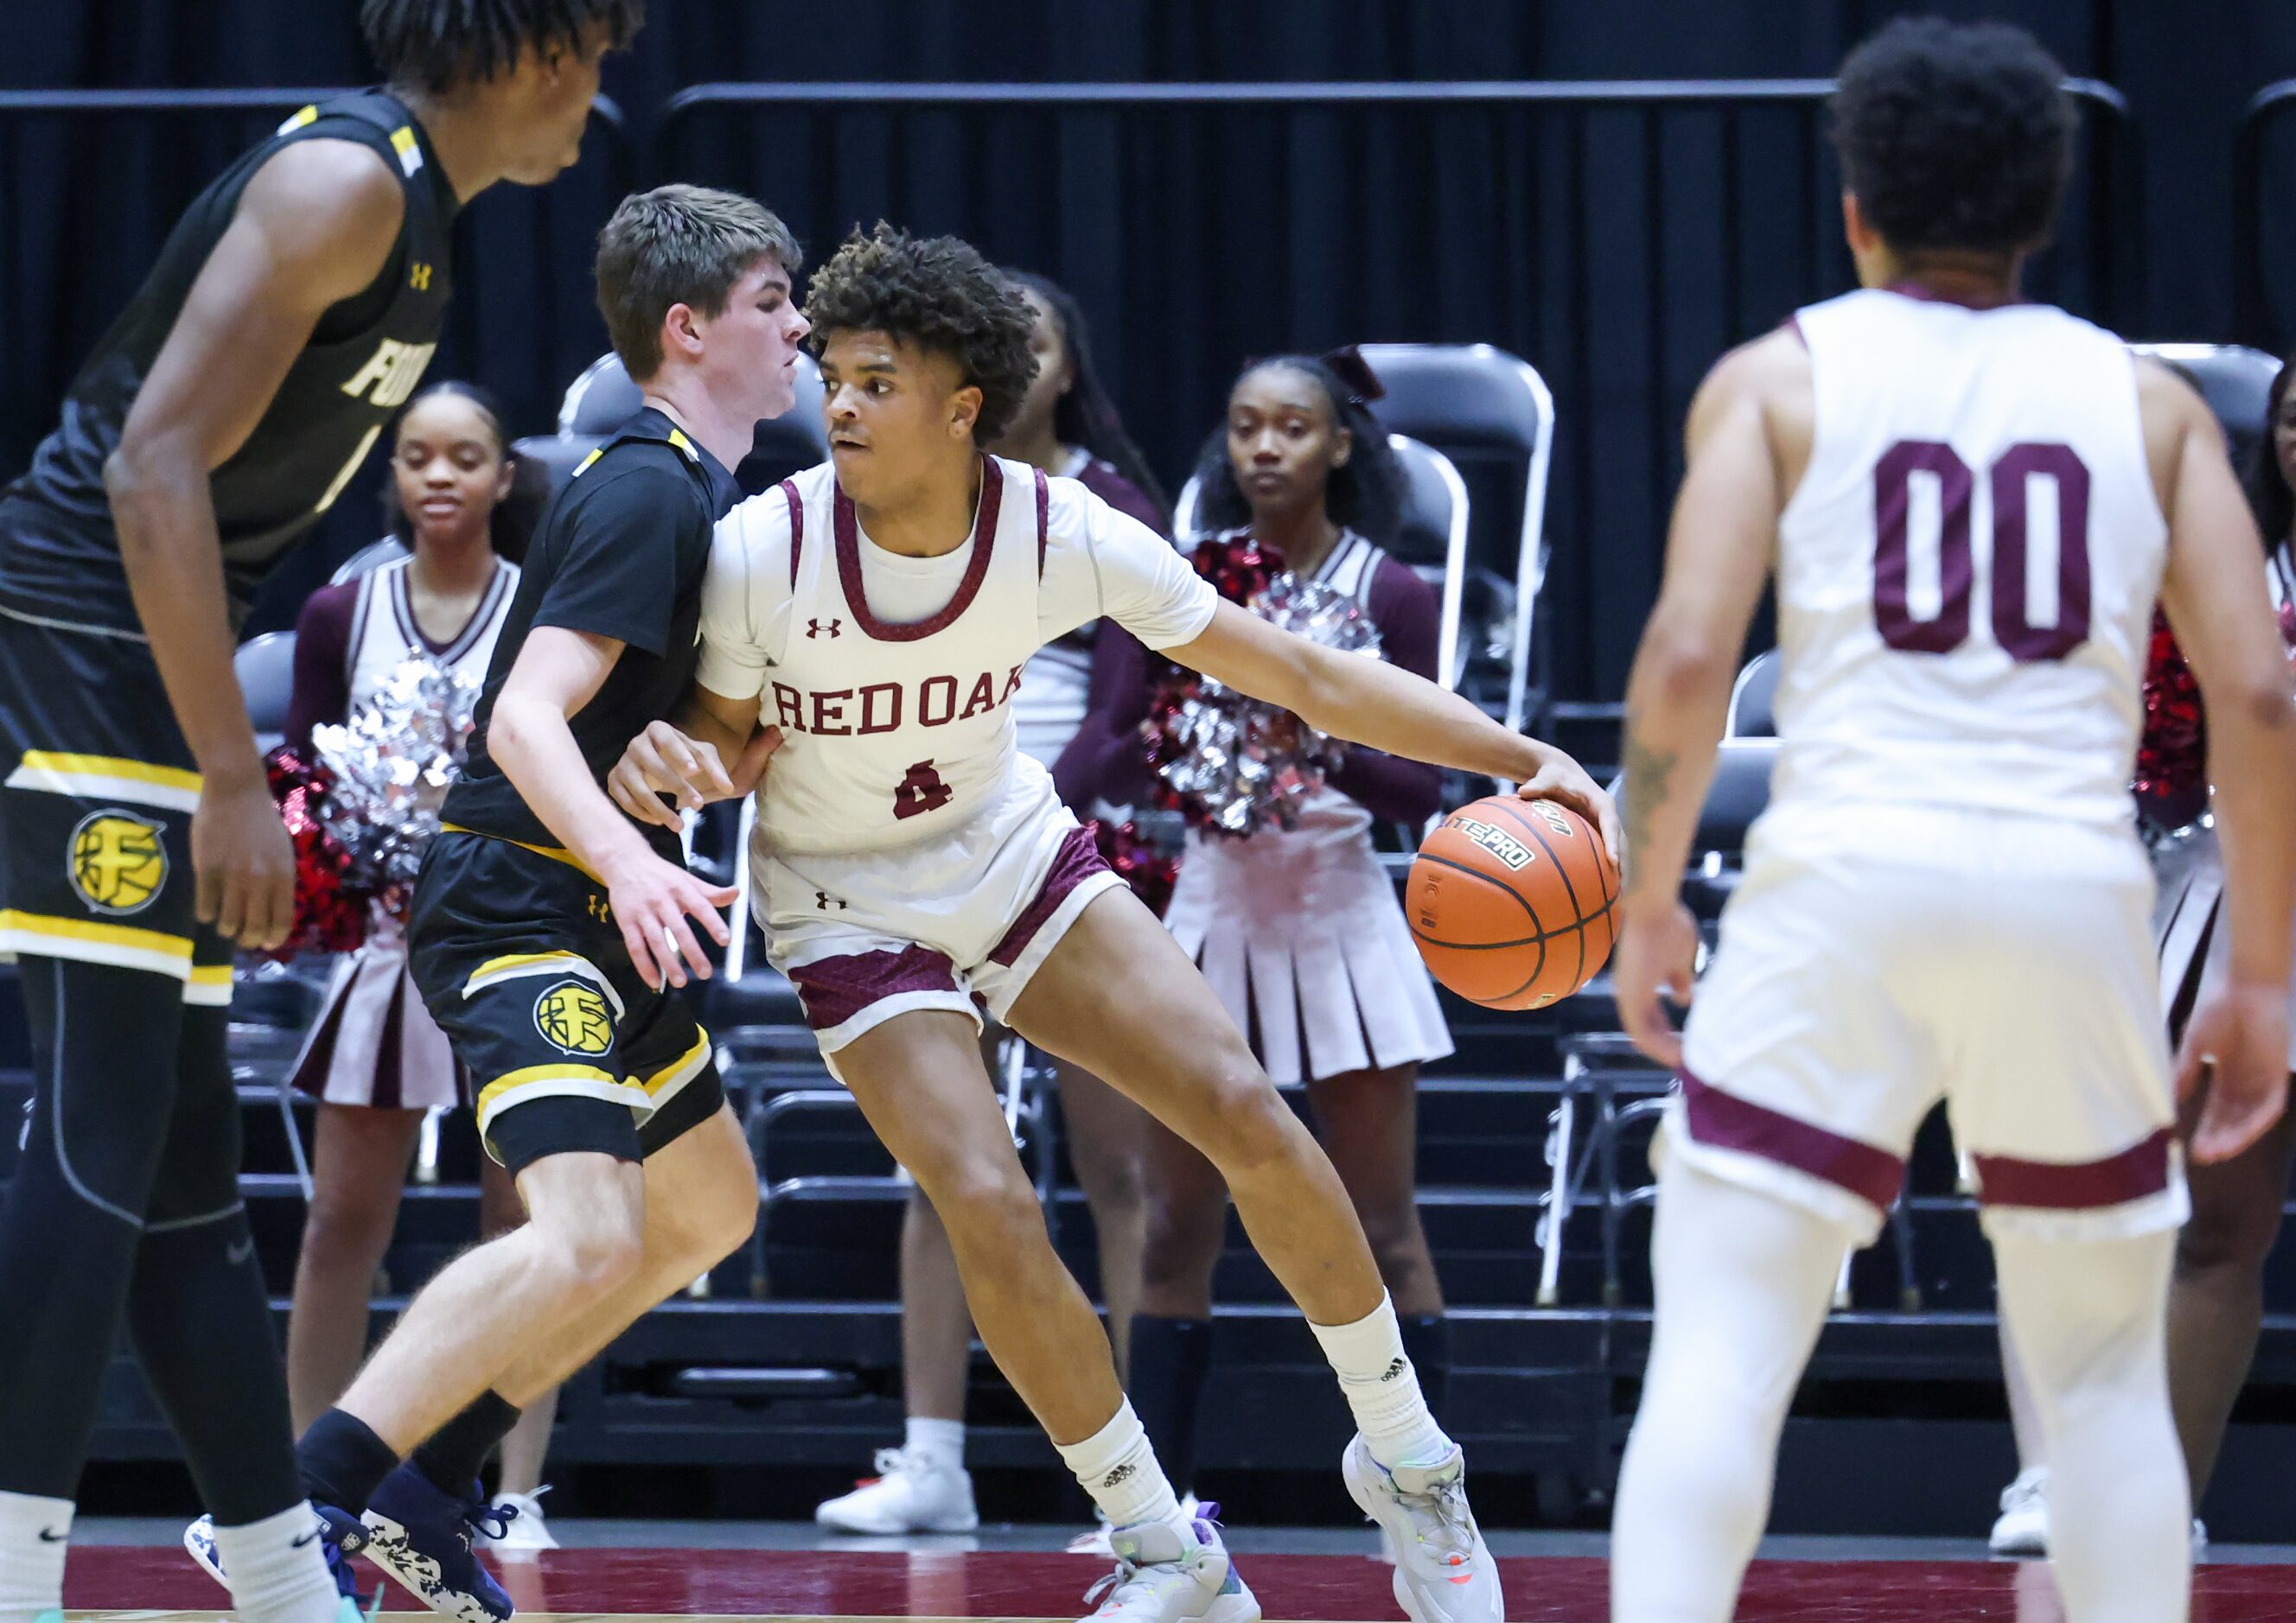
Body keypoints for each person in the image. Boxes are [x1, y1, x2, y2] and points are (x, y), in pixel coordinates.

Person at [615, 222, 1616, 1623]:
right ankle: (1164, 1542)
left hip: (1008, 846)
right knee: (984, 1195)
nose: (836, 404)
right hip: (842, 892)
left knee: (1244, 1108)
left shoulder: (1060, 528)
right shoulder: (758, 551)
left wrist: (1515, 755)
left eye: (877, 380)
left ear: (965, 407)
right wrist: (676, 763)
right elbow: (717, 738)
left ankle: (1412, 1467)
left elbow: (1301, 675)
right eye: (830, 375)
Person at [1604, 19, 2296, 1623]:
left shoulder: (1777, 377)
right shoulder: (2147, 404)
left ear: (1855, 204)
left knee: (1718, 1354)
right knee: (2108, 1380)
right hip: (2072, 894)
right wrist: (2261, 974)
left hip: (1844, 885)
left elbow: (1690, 656)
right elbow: (2261, 696)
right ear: (2044, 209)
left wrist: (1649, 901)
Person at [0, 4, 637, 1620]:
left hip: (148, 650)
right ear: (540, 49)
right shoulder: (346, 181)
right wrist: (232, 771)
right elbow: (149, 468)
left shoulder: (415, 209)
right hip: (88, 643)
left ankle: (285, 1569)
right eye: (598, 50)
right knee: (93, 1135)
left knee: (174, 1156)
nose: (602, 91)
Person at [185, 185, 803, 1623]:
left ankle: (427, 1485)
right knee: (585, 1230)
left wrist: (720, 755)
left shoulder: (693, 489)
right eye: (776, 303)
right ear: (688, 327)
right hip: (523, 898)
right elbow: (525, 718)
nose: (799, 331)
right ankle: (300, 1507)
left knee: (706, 1208)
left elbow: (616, 717)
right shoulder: (648, 480)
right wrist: (636, 857)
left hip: (588, 897)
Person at [813, 270, 1164, 1537]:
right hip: (926, 846)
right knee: (945, 1162)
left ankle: (1146, 1478)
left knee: (1116, 1166)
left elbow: (1129, 715)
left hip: (1067, 847)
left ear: (1063, 370)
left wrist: (1011, 819)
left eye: (1039, 340)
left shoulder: (1105, 506)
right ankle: (931, 1456)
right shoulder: (897, 504)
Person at [1087, 349, 1457, 1509]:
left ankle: (1434, 1496)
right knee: (1171, 1233)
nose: (1264, 448)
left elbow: (1421, 790)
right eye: (1245, 426)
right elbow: (1131, 735)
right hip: (1208, 913)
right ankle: (1152, 1522)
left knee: (1384, 1228)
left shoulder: (1393, 591)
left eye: (1292, 427)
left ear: (1339, 444)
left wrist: (1319, 726)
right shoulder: (1185, 581)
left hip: (1343, 913)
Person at [1988, 348, 2296, 1559]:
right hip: (2190, 900)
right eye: (2289, 416)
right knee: (2121, 1196)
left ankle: (2138, 1494)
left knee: (2219, 1219)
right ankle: (2076, 1483)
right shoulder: (2207, 566)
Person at [279, 380, 563, 1553]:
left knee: (528, 1222)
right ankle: (306, 1491)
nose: (439, 476)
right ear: (390, 473)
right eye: (415, 456)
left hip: (511, 943)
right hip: (391, 950)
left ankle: (510, 1488)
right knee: (345, 1214)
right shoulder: (342, 613)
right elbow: (298, 782)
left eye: (465, 456)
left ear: (505, 476)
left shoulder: (543, 610)